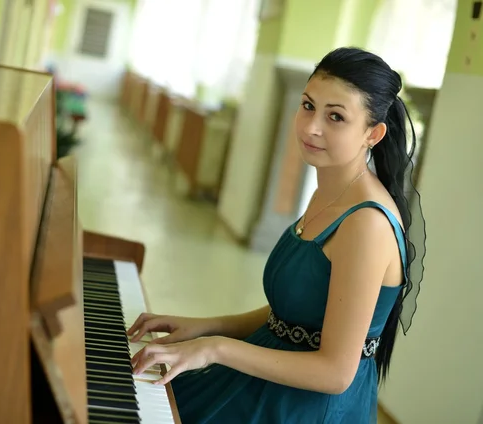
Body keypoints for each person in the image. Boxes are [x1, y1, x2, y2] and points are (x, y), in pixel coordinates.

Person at [127, 47, 426, 423]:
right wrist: (206, 327)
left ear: (373, 133)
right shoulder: (328, 191)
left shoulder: (366, 224)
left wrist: (216, 348)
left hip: (304, 407)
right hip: (264, 375)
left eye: (335, 116)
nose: (311, 126)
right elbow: (299, 308)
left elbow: (335, 373)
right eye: (307, 106)